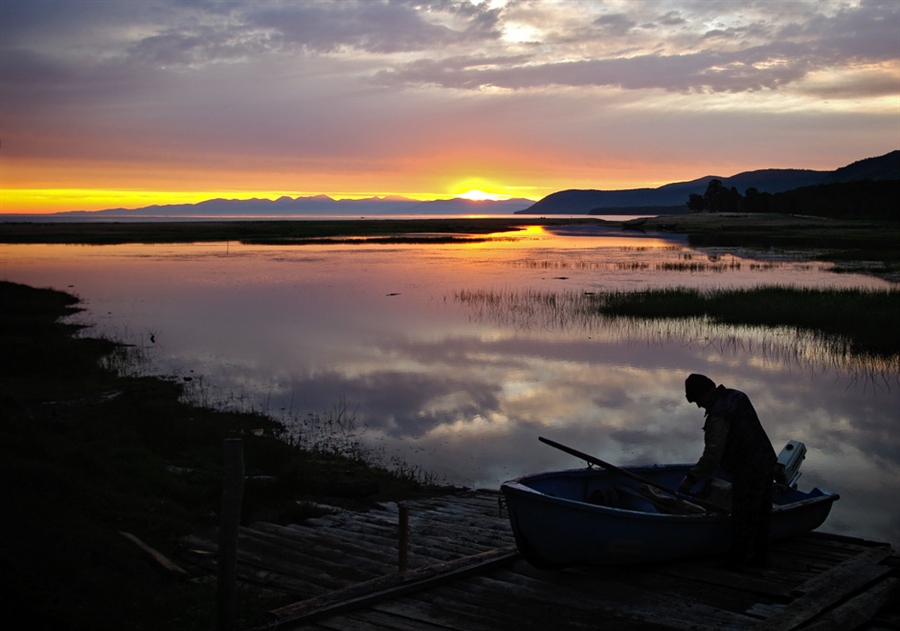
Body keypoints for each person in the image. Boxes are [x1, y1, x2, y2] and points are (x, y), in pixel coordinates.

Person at [679, 373, 777, 570]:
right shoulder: (736, 395)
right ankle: (761, 560)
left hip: (749, 469)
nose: (699, 406)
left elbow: (712, 456)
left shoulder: (718, 415)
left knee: (743, 516)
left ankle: (738, 562)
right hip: (767, 461)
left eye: (697, 400)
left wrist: (690, 480)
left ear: (704, 394)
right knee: (762, 515)